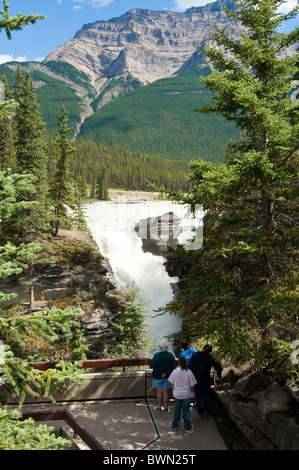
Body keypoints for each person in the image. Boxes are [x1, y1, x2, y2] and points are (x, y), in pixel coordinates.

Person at [189, 344, 222, 419]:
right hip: (206, 379)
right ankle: (205, 411)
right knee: (206, 396)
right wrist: (219, 376)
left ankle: (199, 412)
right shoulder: (209, 357)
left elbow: (190, 366)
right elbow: (218, 366)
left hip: (196, 379)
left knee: (198, 395)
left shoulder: (195, 355)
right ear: (210, 351)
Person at [168, 356, 197, 432]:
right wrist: (191, 391)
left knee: (177, 409)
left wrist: (174, 391)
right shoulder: (189, 372)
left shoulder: (175, 371)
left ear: (178, 363)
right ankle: (187, 426)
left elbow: (172, 383)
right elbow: (193, 385)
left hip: (177, 394)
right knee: (186, 410)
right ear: (186, 363)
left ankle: (175, 425)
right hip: (186, 394)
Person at [149, 340, 176, 411]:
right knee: (165, 391)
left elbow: (151, 365)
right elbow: (174, 368)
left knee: (159, 391)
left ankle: (159, 406)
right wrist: (166, 373)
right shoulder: (170, 355)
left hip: (157, 376)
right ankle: (166, 407)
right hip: (167, 377)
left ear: (160, 347)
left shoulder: (157, 355)